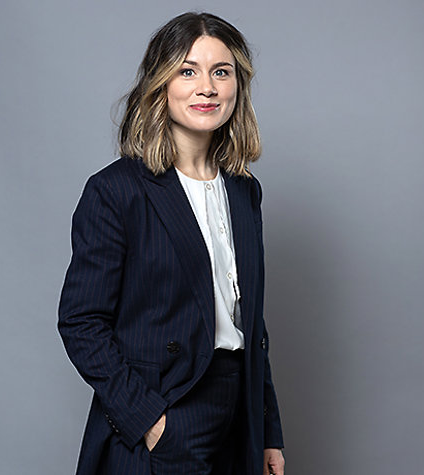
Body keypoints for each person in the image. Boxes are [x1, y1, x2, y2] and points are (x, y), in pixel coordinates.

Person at [58, 12, 285, 475]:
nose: (207, 87)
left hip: (238, 413)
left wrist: (269, 434)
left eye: (221, 72)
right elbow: (81, 322)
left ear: (237, 86)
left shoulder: (244, 191)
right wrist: (150, 422)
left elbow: (251, 325)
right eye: (188, 71)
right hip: (167, 410)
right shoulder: (117, 190)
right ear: (161, 84)